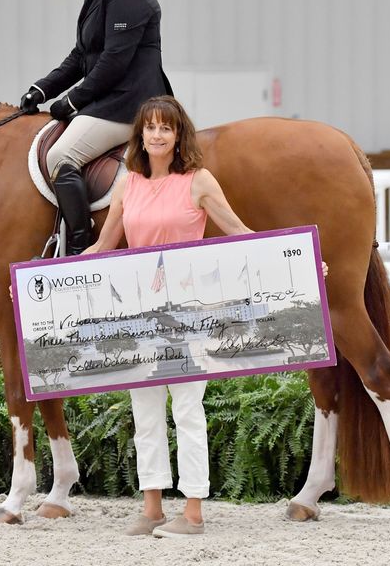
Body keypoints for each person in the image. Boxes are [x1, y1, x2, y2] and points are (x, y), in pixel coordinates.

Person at [82, 95, 253, 538]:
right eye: (150, 127)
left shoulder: (199, 181)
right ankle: (152, 508)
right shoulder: (127, 185)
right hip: (140, 315)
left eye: (166, 128)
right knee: (145, 413)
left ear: (178, 136)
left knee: (189, 409)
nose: (157, 135)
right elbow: (102, 247)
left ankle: (193, 513)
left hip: (188, 315)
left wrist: (302, 260)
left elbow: (239, 231)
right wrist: (37, 284)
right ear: (140, 135)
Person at [19, 0, 172, 256]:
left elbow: (113, 62)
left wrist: (72, 100)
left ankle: (80, 243)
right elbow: (81, 56)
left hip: (130, 105)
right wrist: (42, 89)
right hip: (110, 99)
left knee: (61, 157)